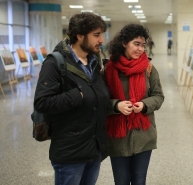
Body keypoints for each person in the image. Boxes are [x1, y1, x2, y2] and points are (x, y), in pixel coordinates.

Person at [33, 12, 110, 185]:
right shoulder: (55, 63)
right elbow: (42, 102)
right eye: (96, 35)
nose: (101, 40)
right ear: (80, 35)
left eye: (101, 35)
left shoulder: (94, 63)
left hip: (93, 149)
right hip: (70, 153)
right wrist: (77, 95)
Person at [104, 23, 165, 185]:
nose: (140, 49)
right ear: (124, 43)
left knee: (139, 180)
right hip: (117, 136)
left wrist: (145, 105)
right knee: (121, 181)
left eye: (143, 45)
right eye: (136, 44)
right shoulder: (108, 70)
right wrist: (116, 105)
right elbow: (99, 100)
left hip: (143, 135)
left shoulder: (149, 68)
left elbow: (158, 96)